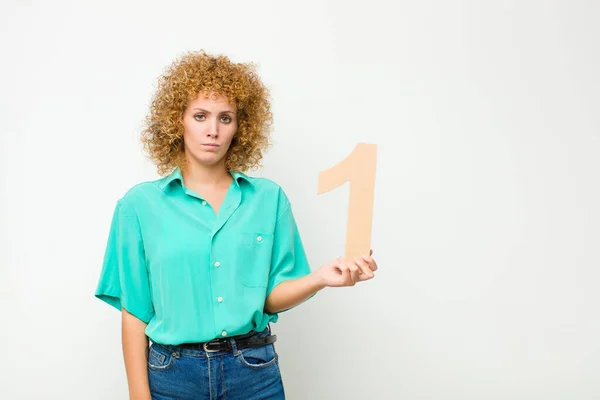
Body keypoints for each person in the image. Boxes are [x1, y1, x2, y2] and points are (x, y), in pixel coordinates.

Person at [94, 50, 378, 400]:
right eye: (200, 116)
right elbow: (134, 312)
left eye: (225, 118)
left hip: (254, 373)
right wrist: (139, 396)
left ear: (240, 127)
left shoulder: (268, 199)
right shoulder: (139, 206)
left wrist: (320, 277)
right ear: (177, 120)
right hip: (172, 377)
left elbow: (269, 299)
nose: (212, 130)